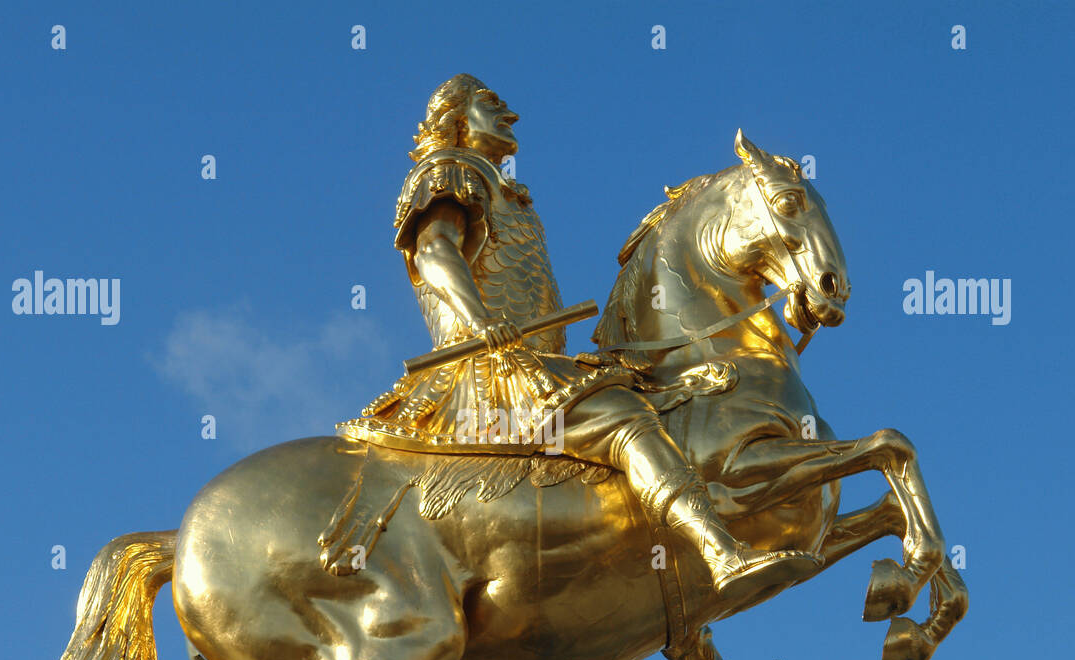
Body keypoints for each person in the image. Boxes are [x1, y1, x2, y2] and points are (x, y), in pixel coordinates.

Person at [339, 74, 813, 602]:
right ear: (456, 120)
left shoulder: (504, 192)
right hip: (484, 374)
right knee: (628, 419)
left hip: (526, 365)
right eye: (491, 104)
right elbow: (434, 252)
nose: (509, 114)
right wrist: (480, 322)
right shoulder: (448, 172)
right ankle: (720, 554)